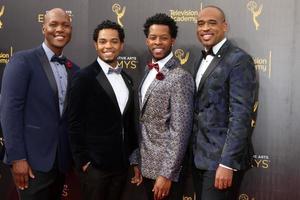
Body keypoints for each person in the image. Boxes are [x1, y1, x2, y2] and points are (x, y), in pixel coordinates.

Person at [0, 8, 79, 200]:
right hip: (31, 163)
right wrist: (17, 158)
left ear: (71, 30)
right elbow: (10, 111)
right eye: (53, 24)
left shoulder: (74, 70)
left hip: (61, 162)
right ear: (44, 29)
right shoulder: (22, 60)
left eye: (65, 25)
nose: (60, 29)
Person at [190, 5, 257, 200]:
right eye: (201, 24)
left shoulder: (239, 59)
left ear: (225, 26)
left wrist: (227, 163)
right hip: (198, 158)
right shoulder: (198, 60)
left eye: (212, 23)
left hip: (221, 161)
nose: (205, 28)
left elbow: (241, 115)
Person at [68, 20, 138, 200]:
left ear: (121, 45)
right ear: (96, 45)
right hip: (95, 169)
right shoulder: (84, 77)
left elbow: (128, 123)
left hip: (122, 167)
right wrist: (84, 162)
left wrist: (133, 158)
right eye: (103, 41)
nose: (108, 46)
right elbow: (74, 123)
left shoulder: (127, 79)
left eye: (114, 41)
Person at [131, 13, 194, 200]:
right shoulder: (147, 70)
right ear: (147, 40)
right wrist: (138, 160)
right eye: (153, 37)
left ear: (172, 40)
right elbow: (142, 121)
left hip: (165, 173)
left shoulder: (180, 77)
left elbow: (180, 130)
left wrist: (167, 174)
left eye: (164, 38)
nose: (158, 42)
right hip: (146, 166)